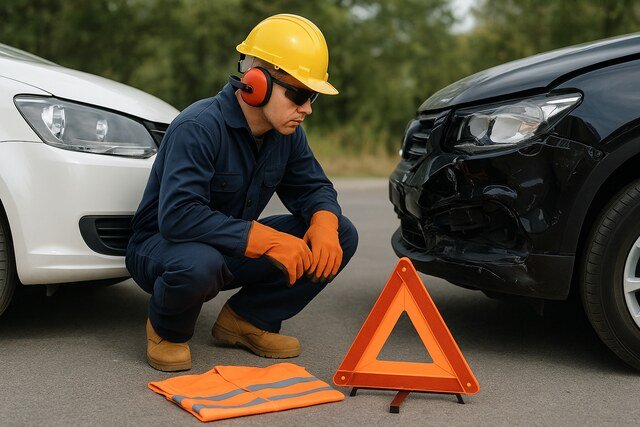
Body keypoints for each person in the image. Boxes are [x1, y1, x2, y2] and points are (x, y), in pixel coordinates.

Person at [125, 14, 358, 372]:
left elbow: (314, 188)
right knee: (199, 263)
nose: (307, 108)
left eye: (312, 97)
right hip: (162, 248)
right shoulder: (198, 127)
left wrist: (324, 224)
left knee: (341, 232)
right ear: (256, 82)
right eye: (298, 94)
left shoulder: (288, 135)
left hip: (230, 246)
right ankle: (166, 330)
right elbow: (178, 217)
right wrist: (269, 240)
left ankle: (247, 321)